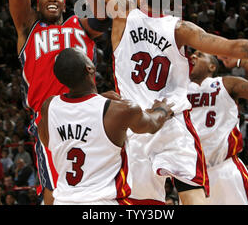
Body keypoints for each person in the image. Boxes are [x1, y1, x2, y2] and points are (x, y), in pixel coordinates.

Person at [27, 0, 248, 205]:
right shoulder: (181, 29)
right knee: (192, 197)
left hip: (134, 126)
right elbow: (237, 48)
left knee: (144, 206)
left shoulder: (122, 13)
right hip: (172, 122)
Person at [7, 0, 111, 204]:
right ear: (37, 6)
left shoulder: (80, 25)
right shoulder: (28, 29)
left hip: (90, 112)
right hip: (49, 117)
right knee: (55, 193)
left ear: (65, 5)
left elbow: (104, 7)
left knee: (103, 190)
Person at [37, 47, 174, 205]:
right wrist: (162, 109)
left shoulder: (50, 107)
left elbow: (49, 142)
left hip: (62, 201)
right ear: (90, 68)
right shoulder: (119, 111)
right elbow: (152, 124)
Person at [187, 52, 248, 205]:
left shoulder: (225, 84)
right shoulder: (176, 90)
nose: (193, 57)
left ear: (212, 66)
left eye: (200, 55)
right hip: (192, 176)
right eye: (192, 55)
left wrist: (243, 62)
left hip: (225, 171)